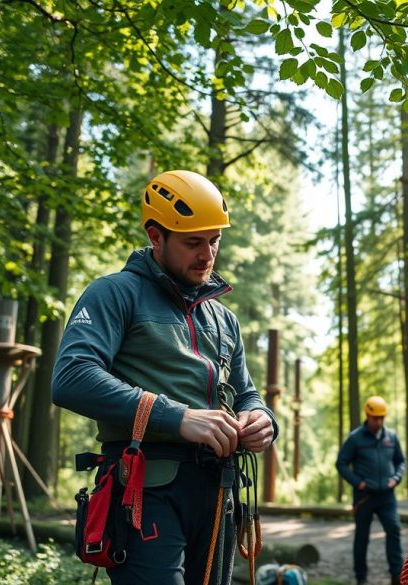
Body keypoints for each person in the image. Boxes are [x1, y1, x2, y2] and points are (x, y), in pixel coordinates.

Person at [52, 170, 278, 584]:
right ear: (156, 237)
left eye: (214, 241)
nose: (207, 255)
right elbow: (72, 376)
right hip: (145, 490)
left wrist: (262, 419)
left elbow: (245, 393)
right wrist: (177, 416)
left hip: (217, 494)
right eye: (193, 242)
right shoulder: (115, 294)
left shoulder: (223, 319)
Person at [336, 396, 406, 585]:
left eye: (382, 418)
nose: (379, 422)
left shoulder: (391, 437)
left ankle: (397, 577)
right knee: (362, 537)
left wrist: (396, 478)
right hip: (364, 497)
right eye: (376, 418)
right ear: (367, 415)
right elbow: (341, 463)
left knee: (394, 530)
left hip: (387, 496)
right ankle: (361, 578)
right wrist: (358, 483)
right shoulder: (355, 438)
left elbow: (401, 462)